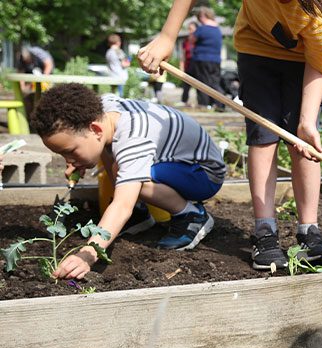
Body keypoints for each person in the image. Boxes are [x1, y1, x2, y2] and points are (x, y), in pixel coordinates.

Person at [137, 0, 322, 270]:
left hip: (303, 60)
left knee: (302, 143)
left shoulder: (319, 13)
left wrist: (307, 122)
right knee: (263, 136)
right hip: (256, 47)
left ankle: (309, 231)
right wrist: (167, 36)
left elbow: (318, 64)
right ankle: (265, 231)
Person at [29, 83, 226, 280]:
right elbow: (102, 145)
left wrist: (88, 254)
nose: (68, 160)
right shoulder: (103, 112)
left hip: (203, 174)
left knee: (125, 173)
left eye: (70, 151)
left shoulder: (133, 137)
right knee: (121, 166)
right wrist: (81, 158)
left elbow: (122, 205)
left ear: (95, 130)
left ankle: (191, 215)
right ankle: (141, 215)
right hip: (177, 164)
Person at [192, 7, 224, 110]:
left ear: (202, 16)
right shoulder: (218, 29)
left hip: (202, 58)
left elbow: (192, 40)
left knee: (202, 82)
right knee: (214, 82)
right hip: (216, 59)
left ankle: (203, 104)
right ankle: (220, 103)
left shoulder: (202, 29)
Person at [178, 21, 198, 107]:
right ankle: (184, 101)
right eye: (189, 29)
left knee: (199, 84)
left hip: (197, 65)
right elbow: (183, 54)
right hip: (188, 65)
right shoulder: (186, 41)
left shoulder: (199, 40)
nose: (190, 31)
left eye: (191, 29)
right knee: (186, 84)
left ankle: (202, 102)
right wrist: (181, 65)